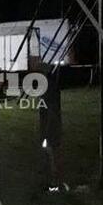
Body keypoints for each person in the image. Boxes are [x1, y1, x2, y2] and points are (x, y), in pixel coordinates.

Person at [38, 64, 66, 192]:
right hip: (51, 127)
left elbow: (50, 112)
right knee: (52, 153)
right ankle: (53, 180)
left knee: (51, 154)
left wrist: (46, 132)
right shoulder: (50, 88)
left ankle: (54, 182)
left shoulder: (48, 89)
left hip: (51, 129)